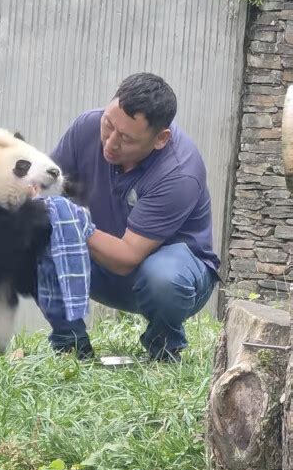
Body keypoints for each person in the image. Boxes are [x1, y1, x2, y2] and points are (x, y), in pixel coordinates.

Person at [48, 72, 220, 361]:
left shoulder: (180, 171)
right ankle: (72, 349)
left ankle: (164, 350)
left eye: (126, 139)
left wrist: (72, 222)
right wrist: (4, 158)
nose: (110, 143)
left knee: (163, 277)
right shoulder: (86, 127)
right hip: (108, 265)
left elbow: (127, 257)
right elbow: (43, 186)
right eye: (108, 125)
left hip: (173, 279)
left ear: (160, 139)